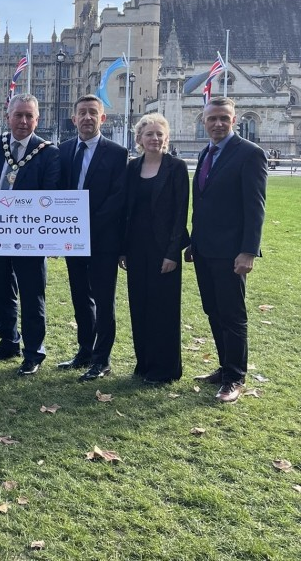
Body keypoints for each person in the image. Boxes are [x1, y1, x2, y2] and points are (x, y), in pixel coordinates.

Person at [187, 97, 268, 403]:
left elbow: (255, 207)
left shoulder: (250, 154)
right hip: (205, 250)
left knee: (232, 315)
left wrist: (248, 251)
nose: (218, 123)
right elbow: (203, 204)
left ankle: (235, 377)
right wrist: (194, 244)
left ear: (233, 120)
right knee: (213, 311)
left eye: (224, 118)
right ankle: (224, 367)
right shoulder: (206, 152)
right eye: (212, 119)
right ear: (204, 121)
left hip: (232, 252)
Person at [0, 94, 60, 376]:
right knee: (2, 289)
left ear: (38, 119)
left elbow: (51, 195)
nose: (23, 121)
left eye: (29, 116)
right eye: (18, 115)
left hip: (30, 236)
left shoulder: (48, 152)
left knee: (32, 293)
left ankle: (34, 351)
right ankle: (8, 340)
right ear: (7, 116)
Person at [57, 95, 127, 381]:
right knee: (80, 297)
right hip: (73, 240)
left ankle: (102, 358)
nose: (87, 118)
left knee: (103, 298)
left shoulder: (117, 153)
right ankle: (85, 350)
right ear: (74, 119)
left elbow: (118, 198)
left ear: (102, 119)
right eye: (82, 113)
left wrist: (86, 224)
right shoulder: (62, 151)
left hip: (102, 239)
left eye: (92, 113)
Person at [119, 114, 189, 383]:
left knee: (164, 309)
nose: (155, 139)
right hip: (137, 248)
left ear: (166, 138)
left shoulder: (176, 168)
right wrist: (122, 249)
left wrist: (173, 253)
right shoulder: (132, 168)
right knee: (140, 306)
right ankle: (145, 363)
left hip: (164, 250)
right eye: (150, 134)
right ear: (139, 139)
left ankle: (165, 369)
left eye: (160, 134)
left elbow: (180, 213)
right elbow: (127, 212)